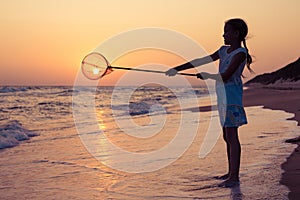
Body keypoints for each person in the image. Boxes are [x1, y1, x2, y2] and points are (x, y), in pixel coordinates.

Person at [165, 18, 253, 188]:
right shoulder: (223, 50)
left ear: (236, 34)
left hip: (232, 99)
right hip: (222, 98)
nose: (223, 34)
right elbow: (200, 61)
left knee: (232, 137)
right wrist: (177, 69)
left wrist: (208, 76)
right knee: (226, 137)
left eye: (227, 31)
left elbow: (226, 75)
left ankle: (234, 177)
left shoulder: (240, 53)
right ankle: (230, 173)